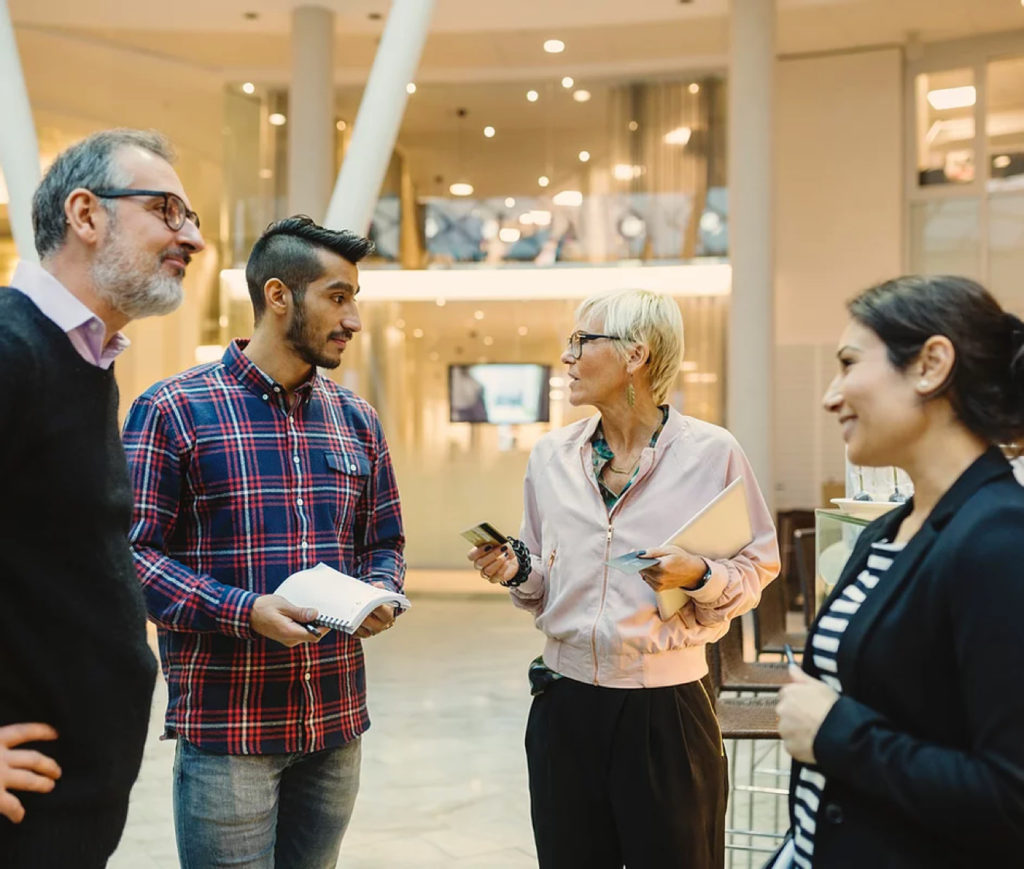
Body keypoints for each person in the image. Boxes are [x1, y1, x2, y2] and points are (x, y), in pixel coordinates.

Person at [123, 215, 405, 869]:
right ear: (279, 296)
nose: (353, 319)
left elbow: (384, 538)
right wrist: (244, 610)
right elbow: (132, 557)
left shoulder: (356, 419)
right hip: (230, 729)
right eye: (338, 296)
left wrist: (380, 590)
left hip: (335, 722)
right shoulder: (172, 409)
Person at [468, 288, 780, 868]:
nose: (567, 357)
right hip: (564, 706)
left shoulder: (713, 453)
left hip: (666, 710)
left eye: (582, 341)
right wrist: (516, 569)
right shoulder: (551, 457)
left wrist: (702, 576)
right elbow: (541, 577)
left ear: (635, 355)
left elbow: (758, 564)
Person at [0, 128, 205, 866]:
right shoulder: (10, 345)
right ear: (86, 216)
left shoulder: (83, 359)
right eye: (168, 211)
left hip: (66, 810)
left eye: (193, 219)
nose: (192, 238)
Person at [776, 275, 1024, 867]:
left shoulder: (999, 540)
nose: (829, 396)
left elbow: (1010, 798)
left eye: (848, 363)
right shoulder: (890, 530)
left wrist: (838, 734)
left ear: (931, 365)